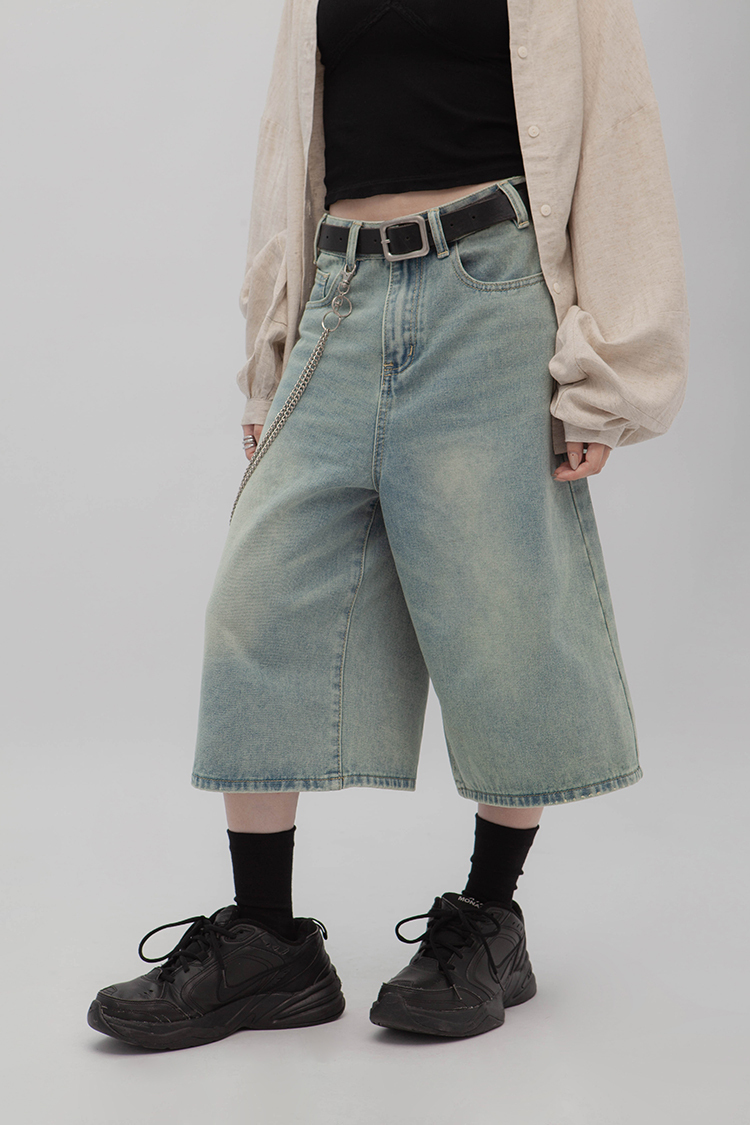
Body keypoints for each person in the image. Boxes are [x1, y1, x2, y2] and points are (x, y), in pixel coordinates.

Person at [88, 0, 688, 1049]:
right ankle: (267, 942)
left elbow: (619, 132)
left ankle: (489, 919)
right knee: (256, 606)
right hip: (340, 292)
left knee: (504, 610)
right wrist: (272, 349)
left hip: (491, 292)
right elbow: (290, 148)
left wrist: (610, 375)